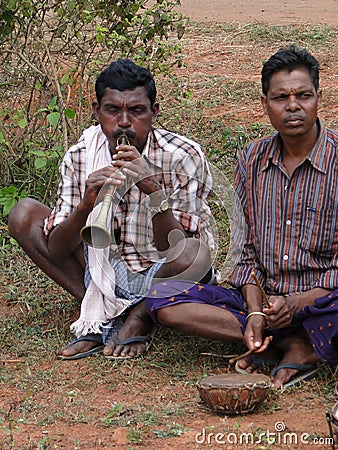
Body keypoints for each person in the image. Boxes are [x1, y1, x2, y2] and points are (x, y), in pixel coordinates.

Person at [142, 45, 338, 389]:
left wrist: (296, 302)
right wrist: (256, 312)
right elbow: (243, 251)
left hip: (324, 300)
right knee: (163, 298)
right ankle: (281, 342)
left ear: (318, 98)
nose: (293, 106)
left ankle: (301, 345)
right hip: (264, 300)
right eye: (281, 98)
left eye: (303, 95)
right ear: (265, 104)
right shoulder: (251, 159)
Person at [8, 58, 215, 360]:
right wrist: (85, 207)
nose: (124, 122)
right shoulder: (81, 154)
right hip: (101, 269)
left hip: (159, 270)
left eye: (137, 111)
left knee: (193, 254)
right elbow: (56, 249)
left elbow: (177, 249)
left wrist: (154, 191)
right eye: (112, 110)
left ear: (154, 113)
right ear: (96, 111)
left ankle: (141, 315)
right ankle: (105, 313)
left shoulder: (182, 156)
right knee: (23, 213)